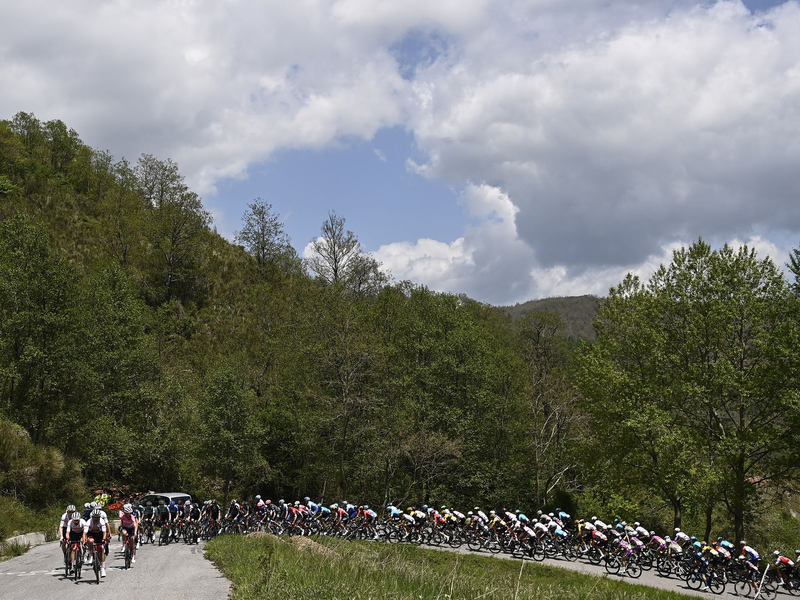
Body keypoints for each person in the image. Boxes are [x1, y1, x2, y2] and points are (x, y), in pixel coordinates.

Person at [85, 508, 108, 577]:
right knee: (90, 541)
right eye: (94, 517)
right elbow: (85, 533)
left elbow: (104, 532)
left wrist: (104, 539)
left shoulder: (101, 521)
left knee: (101, 549)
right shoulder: (89, 522)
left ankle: (102, 568)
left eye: (97, 517)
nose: (96, 519)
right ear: (92, 517)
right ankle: (91, 554)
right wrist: (84, 540)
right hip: (91, 533)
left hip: (99, 534)